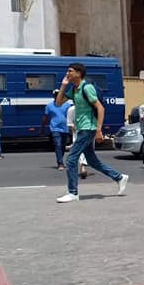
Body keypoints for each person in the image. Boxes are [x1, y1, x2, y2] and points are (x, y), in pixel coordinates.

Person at [55, 62, 128, 203]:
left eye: (70, 71)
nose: (67, 73)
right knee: (93, 161)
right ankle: (119, 177)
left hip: (88, 128)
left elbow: (100, 108)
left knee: (71, 159)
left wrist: (99, 129)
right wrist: (63, 85)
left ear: (78, 73)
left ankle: (73, 192)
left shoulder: (86, 88)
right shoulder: (74, 89)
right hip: (82, 128)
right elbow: (58, 103)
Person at [40, 91, 72, 170]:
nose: (57, 96)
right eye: (55, 95)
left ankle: (60, 160)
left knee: (63, 146)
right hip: (55, 128)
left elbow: (72, 115)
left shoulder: (67, 105)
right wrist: (42, 128)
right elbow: (45, 118)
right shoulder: (49, 106)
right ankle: (60, 163)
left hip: (65, 128)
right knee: (57, 144)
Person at [66, 103, 88, 179]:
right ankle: (83, 167)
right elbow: (70, 124)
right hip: (77, 134)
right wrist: (77, 130)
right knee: (80, 150)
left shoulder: (88, 108)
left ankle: (83, 166)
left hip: (89, 132)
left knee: (87, 150)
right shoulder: (71, 110)